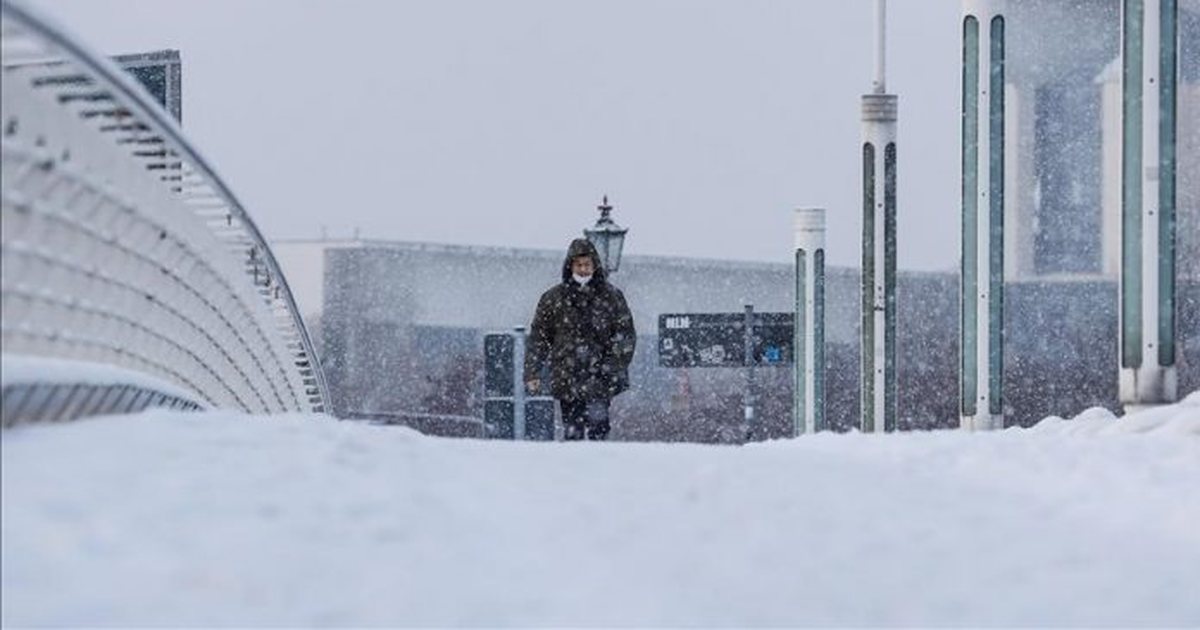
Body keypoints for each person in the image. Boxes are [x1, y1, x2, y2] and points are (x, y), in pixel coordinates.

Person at [524, 238, 636, 441]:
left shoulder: (611, 297)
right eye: (578, 264)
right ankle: (575, 469)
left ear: (595, 265)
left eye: (587, 264)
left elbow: (625, 335)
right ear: (570, 266)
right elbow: (539, 337)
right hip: (568, 376)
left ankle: (598, 468)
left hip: (600, 377)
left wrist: (611, 366)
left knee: (599, 428)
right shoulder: (553, 299)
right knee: (572, 430)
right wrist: (533, 370)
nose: (583, 269)